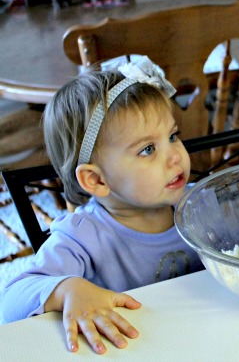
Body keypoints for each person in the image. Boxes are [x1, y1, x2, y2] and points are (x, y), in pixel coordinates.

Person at [0, 56, 203, 354]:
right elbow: (10, 303)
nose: (176, 156)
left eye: (173, 136)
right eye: (148, 149)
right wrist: (67, 289)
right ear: (96, 181)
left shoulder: (201, 203)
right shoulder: (83, 235)